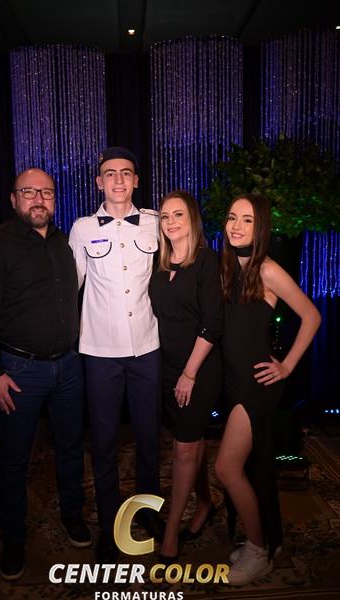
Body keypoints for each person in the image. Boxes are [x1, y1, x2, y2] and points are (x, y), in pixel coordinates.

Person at [0, 168, 91, 581]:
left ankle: (72, 517)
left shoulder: (63, 242)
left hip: (68, 366)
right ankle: (13, 542)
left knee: (71, 448)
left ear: (55, 199)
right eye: (29, 192)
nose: (39, 199)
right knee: (15, 461)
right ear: (13, 198)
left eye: (46, 192)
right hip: (18, 370)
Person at [215, 193, 321, 586]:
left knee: (226, 468)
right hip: (233, 382)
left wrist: (287, 365)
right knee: (255, 468)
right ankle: (269, 541)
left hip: (256, 385)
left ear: (261, 228)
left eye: (247, 220)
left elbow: (311, 315)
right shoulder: (230, 266)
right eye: (232, 218)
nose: (237, 226)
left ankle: (258, 550)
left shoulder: (268, 269)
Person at [69, 147, 164, 563]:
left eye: (126, 173)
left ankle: (148, 513)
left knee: (149, 438)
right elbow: (69, 287)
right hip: (100, 352)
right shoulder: (82, 229)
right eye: (110, 174)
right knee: (104, 442)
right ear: (99, 182)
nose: (119, 180)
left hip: (147, 347)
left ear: (136, 180)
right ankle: (111, 525)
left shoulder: (157, 223)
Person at [149, 190, 223, 562]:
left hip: (198, 370)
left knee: (183, 449)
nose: (171, 222)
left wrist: (189, 374)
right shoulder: (159, 263)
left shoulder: (207, 260)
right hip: (166, 367)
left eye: (178, 214)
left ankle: (171, 532)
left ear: (193, 218)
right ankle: (206, 502)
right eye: (165, 216)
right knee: (192, 444)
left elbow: (212, 323)